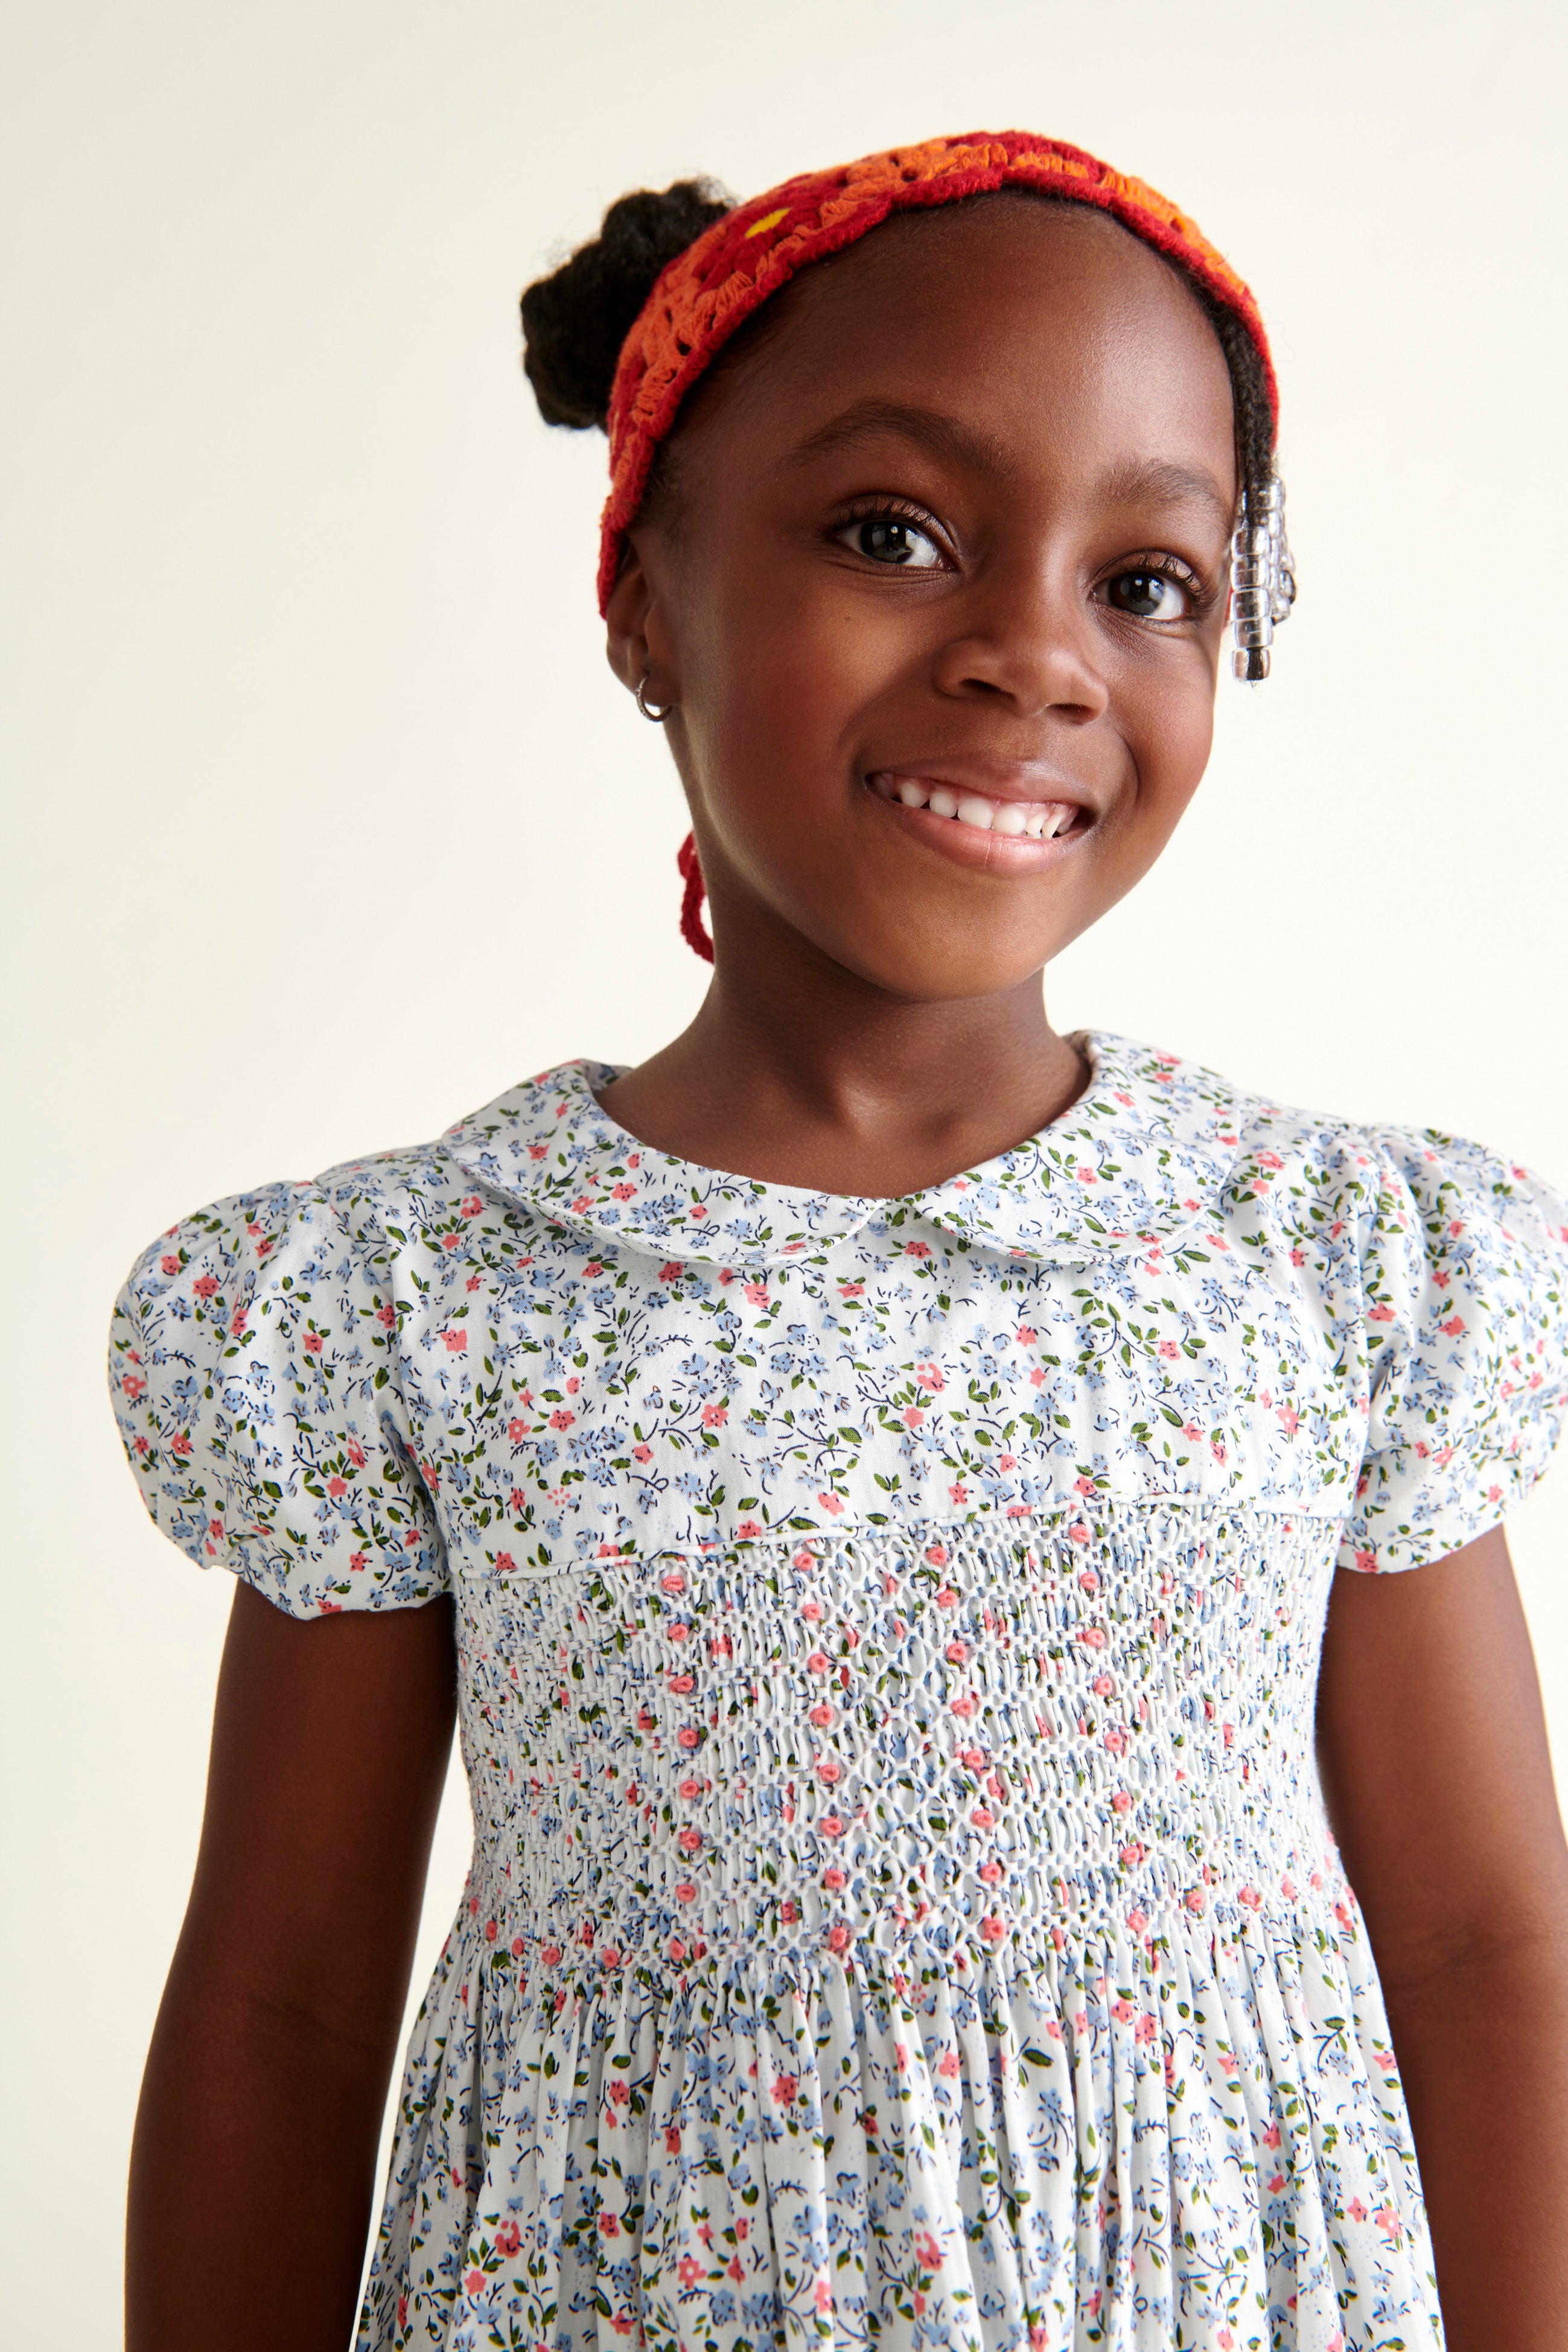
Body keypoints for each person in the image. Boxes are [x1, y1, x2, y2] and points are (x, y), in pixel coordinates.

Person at [109, 131, 1568, 2352]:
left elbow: (1487, 1946)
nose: (1034, 656)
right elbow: (284, 2010)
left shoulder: (1331, 1267)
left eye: (1148, 581)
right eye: (895, 535)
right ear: (642, 599)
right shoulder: (409, 1307)